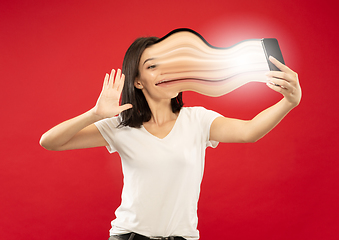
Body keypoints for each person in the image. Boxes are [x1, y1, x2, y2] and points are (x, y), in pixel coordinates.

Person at [40, 36, 301, 240]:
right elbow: (50, 141)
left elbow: (250, 131)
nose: (164, 71)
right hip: (129, 236)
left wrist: (289, 102)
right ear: (138, 82)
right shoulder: (121, 126)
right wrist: (94, 114)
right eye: (153, 66)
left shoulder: (197, 119)